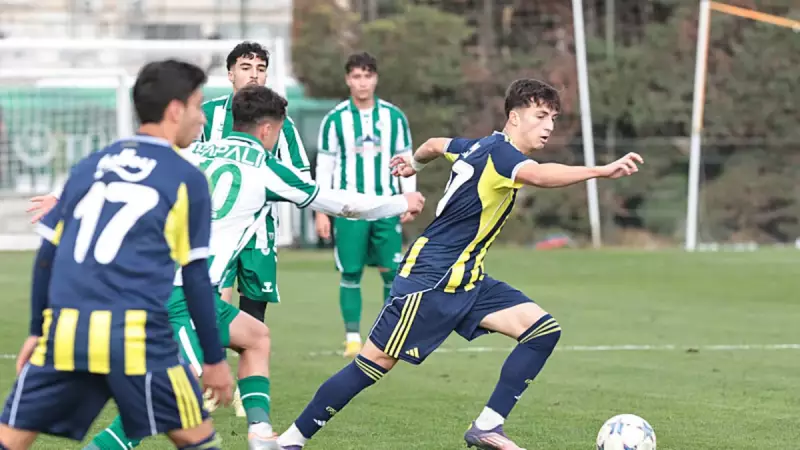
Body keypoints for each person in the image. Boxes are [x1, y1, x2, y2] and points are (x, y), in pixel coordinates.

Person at [276, 79, 644, 450]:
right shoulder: (503, 157)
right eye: (541, 115)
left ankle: (488, 426)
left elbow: (436, 144)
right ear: (514, 117)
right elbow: (539, 175)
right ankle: (291, 440)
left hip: (468, 280)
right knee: (371, 366)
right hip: (431, 281)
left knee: (542, 330)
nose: (549, 125)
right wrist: (600, 170)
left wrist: (413, 162)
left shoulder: (479, 146)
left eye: (553, 117)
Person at [86, 85, 426, 450]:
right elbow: (340, 203)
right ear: (267, 130)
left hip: (185, 291)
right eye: (278, 131)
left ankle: (261, 434)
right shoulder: (266, 167)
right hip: (173, 295)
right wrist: (399, 201)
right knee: (161, 403)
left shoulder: (194, 150)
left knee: (255, 337)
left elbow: (131, 173)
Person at [0, 59, 234, 450]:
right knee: (199, 441)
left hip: (67, 332)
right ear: (176, 110)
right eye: (198, 105)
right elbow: (195, 277)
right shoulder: (186, 178)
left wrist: (37, 332)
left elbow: (47, 256)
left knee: (10, 440)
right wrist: (213, 359)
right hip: (137, 336)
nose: (202, 118)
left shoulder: (91, 166)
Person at [199, 41, 311, 323]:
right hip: (216, 226)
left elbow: (300, 173)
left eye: (260, 69)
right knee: (215, 299)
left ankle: (247, 362)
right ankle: (213, 363)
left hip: (260, 228)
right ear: (230, 74)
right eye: (245, 67)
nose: (254, 75)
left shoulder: (279, 122)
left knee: (254, 312)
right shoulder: (208, 115)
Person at [315, 51, 416, 357]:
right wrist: (321, 209)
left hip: (386, 205)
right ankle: (352, 338)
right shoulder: (335, 120)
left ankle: (388, 337)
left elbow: (406, 161)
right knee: (350, 273)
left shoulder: (394, 118)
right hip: (348, 210)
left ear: (376, 78)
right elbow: (325, 167)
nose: (362, 82)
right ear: (348, 79)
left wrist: (408, 198)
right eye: (356, 76)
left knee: (391, 271)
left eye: (367, 75)